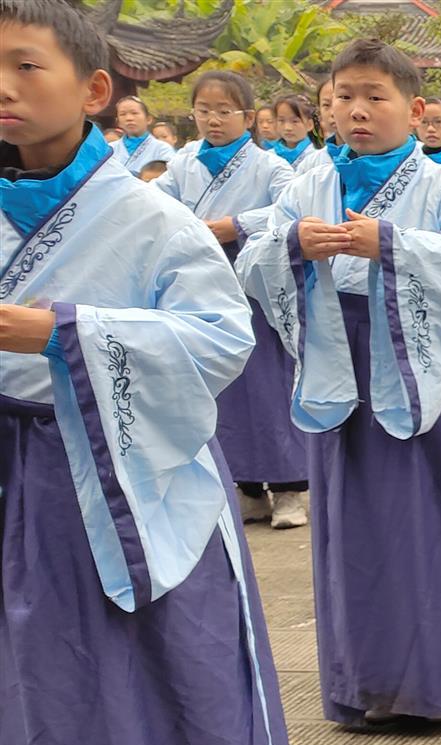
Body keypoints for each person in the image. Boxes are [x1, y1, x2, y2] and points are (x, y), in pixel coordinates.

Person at [0, 0, 299, 745]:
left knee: (152, 668)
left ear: (94, 91)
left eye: (22, 67)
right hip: (21, 473)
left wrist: (69, 333)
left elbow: (221, 340)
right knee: (48, 691)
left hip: (126, 465)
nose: (1, 91)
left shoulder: (148, 212)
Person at [237, 38, 441, 728]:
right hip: (341, 362)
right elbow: (254, 260)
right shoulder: (308, 184)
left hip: (429, 364)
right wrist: (293, 247)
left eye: (375, 97)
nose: (357, 110)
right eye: (343, 97)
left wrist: (395, 246)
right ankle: (371, 676)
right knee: (363, 525)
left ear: (413, 109)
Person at [153, 70, 307, 529]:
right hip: (200, 286)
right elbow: (152, 205)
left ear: (247, 116)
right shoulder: (182, 165)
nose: (213, 120)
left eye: (224, 111)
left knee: (266, 386)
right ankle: (245, 486)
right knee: (220, 385)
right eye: (204, 111)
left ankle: (287, 489)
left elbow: (291, 208)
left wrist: (236, 225)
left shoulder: (270, 166)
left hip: (254, 283)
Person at [110, 94, 172, 174]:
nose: (129, 118)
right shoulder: (110, 150)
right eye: (123, 114)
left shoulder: (162, 149)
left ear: (148, 119)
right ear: (118, 122)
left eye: (134, 113)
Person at [270, 92, 326, 173]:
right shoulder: (269, 157)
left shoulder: (317, 158)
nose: (287, 128)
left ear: (309, 124)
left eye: (295, 121)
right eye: (281, 121)